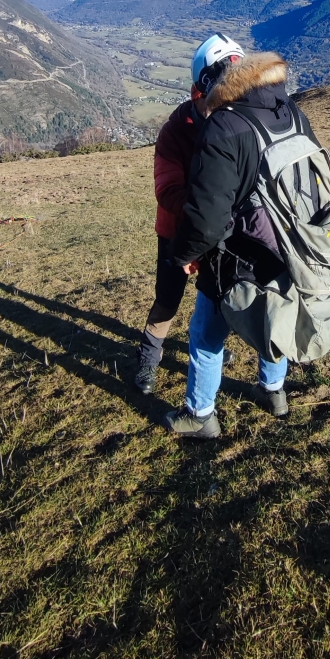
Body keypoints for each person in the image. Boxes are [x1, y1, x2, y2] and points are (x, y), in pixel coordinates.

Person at [164, 47, 319, 439]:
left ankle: (200, 415)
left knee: (206, 334)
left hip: (234, 256)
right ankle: (273, 392)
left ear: (206, 83)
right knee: (276, 319)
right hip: (287, 243)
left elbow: (208, 214)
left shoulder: (224, 127)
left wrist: (185, 254)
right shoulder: (289, 110)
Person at [134, 33, 245, 394]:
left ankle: (212, 346)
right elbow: (166, 190)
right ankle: (148, 360)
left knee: (216, 295)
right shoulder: (173, 132)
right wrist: (202, 218)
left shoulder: (234, 124)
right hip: (178, 232)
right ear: (202, 89)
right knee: (167, 300)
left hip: (219, 230)